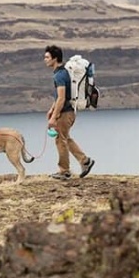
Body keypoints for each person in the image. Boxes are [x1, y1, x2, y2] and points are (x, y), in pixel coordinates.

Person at [44, 45, 95, 180]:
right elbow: (60, 97)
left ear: (55, 58)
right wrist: (51, 109)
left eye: (47, 57)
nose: (45, 60)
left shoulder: (59, 75)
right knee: (65, 138)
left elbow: (61, 98)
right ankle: (85, 161)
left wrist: (53, 117)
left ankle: (64, 171)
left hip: (65, 113)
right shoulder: (63, 73)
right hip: (70, 111)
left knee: (60, 140)